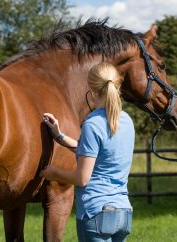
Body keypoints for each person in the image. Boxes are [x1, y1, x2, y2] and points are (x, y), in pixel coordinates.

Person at [41, 62, 135, 242]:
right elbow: (96, 152)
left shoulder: (93, 124)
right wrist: (59, 135)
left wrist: (54, 173)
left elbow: (81, 178)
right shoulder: (127, 121)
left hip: (96, 213)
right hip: (123, 213)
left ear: (91, 90)